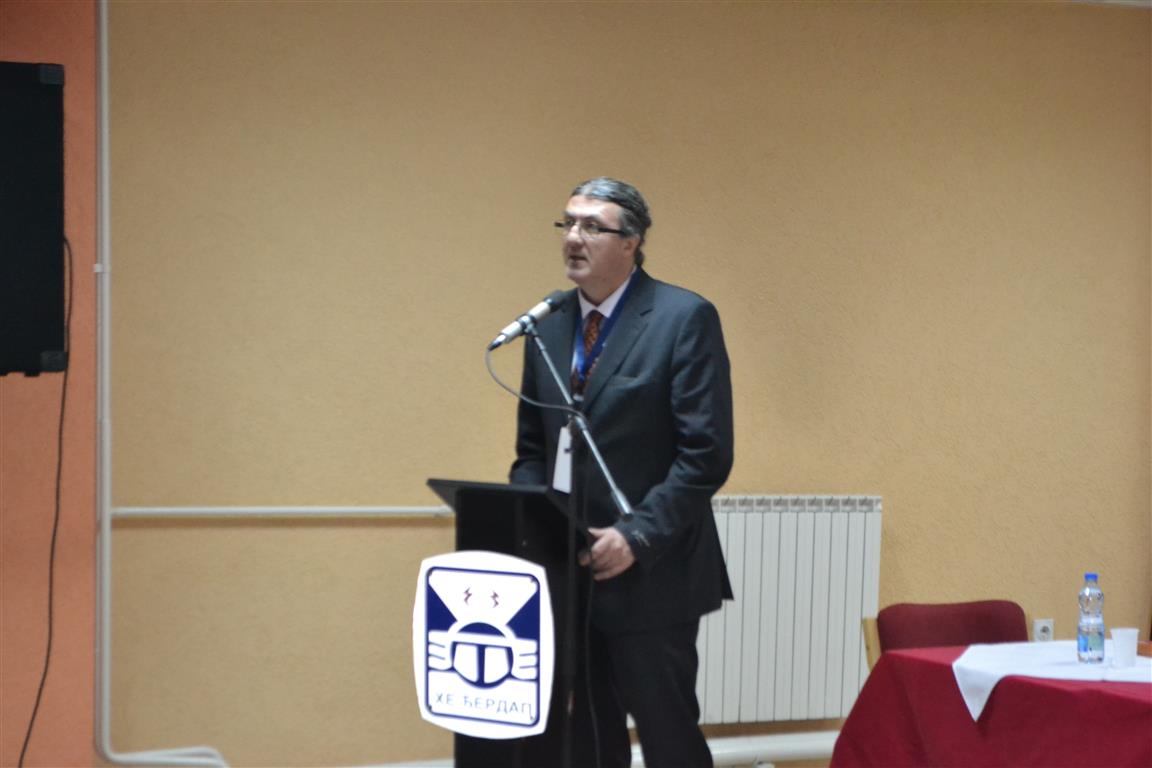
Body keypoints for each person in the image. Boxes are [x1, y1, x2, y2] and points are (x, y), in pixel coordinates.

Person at [510, 177, 734, 768]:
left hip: (653, 572)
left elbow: (706, 454)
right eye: (567, 223)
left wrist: (636, 535)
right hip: (569, 571)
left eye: (592, 227)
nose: (573, 238)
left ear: (631, 242)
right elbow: (532, 449)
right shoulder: (547, 325)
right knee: (584, 737)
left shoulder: (682, 318)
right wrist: (530, 525)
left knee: (668, 738)